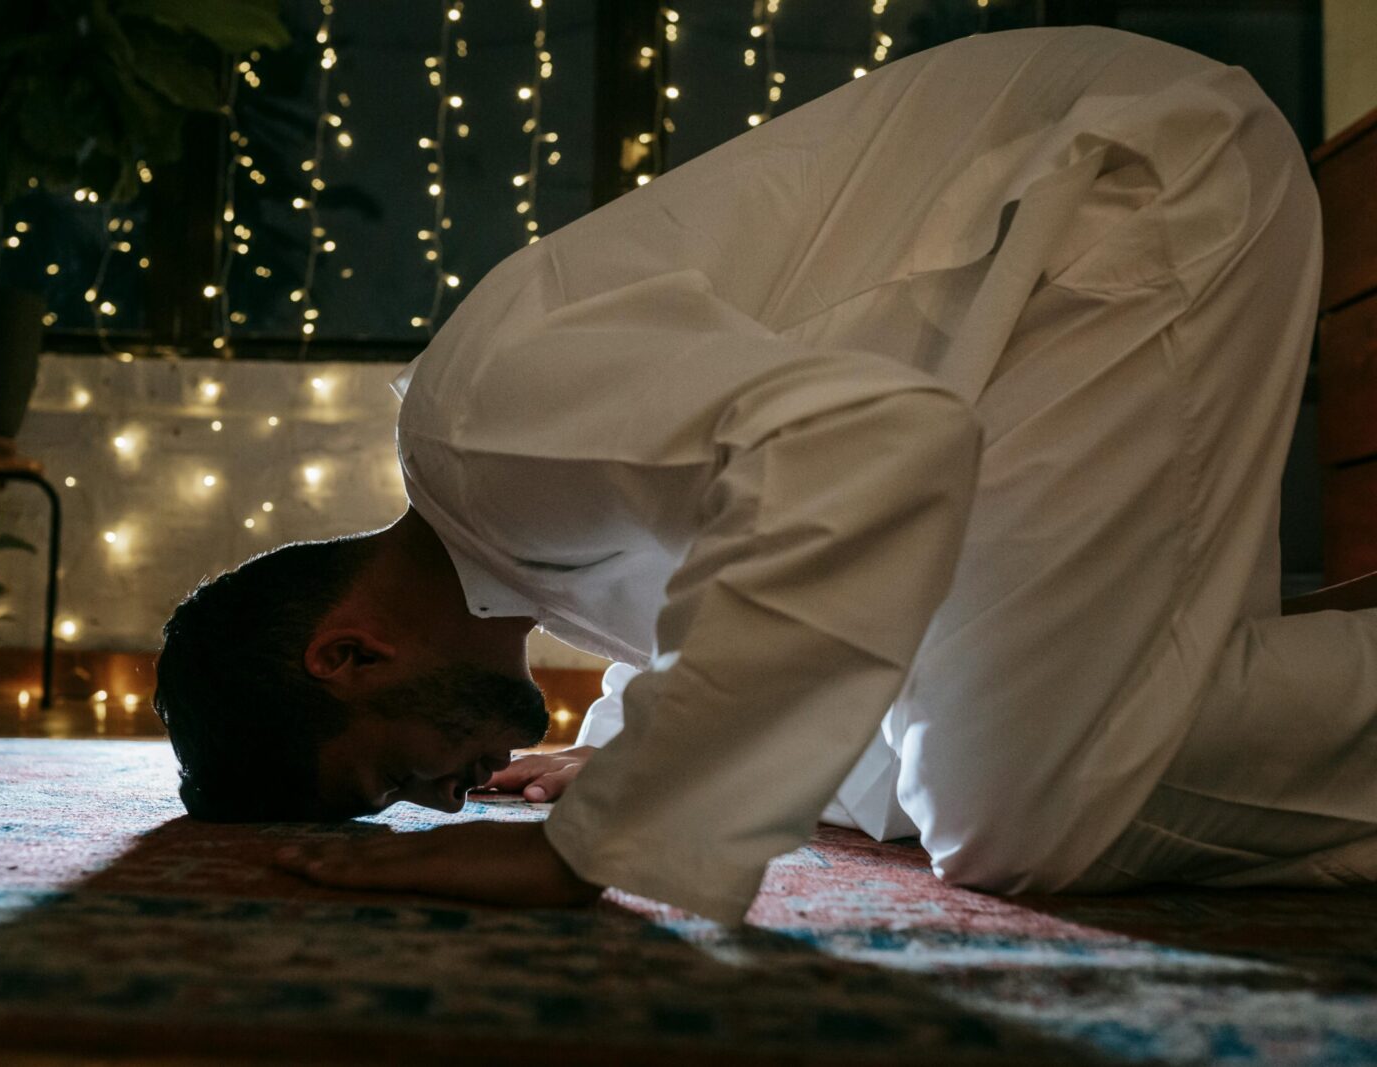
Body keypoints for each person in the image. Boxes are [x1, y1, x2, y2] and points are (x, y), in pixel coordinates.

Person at [153, 26, 1377, 925]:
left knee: (1014, 813)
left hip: (1119, 182)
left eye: (385, 774)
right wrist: (642, 748)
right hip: (1034, 276)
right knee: (944, 755)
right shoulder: (522, 537)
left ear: (351, 654)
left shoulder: (477, 435)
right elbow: (757, 548)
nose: (435, 798)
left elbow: (867, 448)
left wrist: (602, 838)